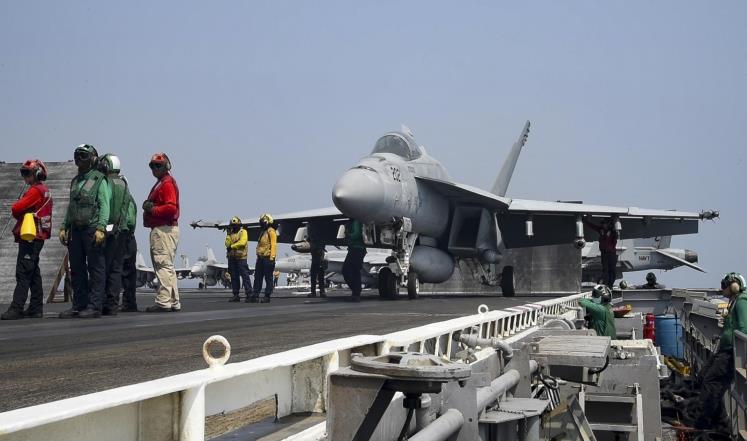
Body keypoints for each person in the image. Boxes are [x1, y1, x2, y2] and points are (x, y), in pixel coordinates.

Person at [59, 145, 111, 319]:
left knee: (96, 268)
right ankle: (79, 305)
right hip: (76, 230)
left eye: (83, 155)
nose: (79, 159)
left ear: (93, 158)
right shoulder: (75, 181)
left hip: (92, 229)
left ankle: (95, 306)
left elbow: (104, 205)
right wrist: (64, 226)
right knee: (77, 269)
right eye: (77, 155)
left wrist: (101, 228)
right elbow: (71, 207)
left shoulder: (99, 179)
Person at [1, 160, 53, 320]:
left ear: (37, 174)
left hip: (30, 236)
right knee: (33, 272)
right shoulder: (44, 190)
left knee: (23, 272)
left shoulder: (35, 191)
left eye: (27, 173)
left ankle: (16, 308)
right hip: (37, 237)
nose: (24, 176)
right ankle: (36, 308)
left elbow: (16, 208)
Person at [695, 272, 747, 429]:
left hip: (731, 353)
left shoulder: (742, 301)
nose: (722, 288)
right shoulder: (734, 301)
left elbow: (744, 329)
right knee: (703, 376)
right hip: (724, 350)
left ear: (734, 286)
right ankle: (720, 418)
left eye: (725, 285)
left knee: (712, 383)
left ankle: (706, 423)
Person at [143, 152, 181, 312]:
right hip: (165, 229)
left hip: (163, 230)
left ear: (166, 166)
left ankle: (163, 302)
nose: (154, 168)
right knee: (168, 267)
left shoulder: (166, 183)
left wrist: (153, 209)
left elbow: (171, 208)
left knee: (162, 266)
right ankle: (173, 301)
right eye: (152, 166)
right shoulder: (163, 182)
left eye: (158, 165)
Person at [98, 154, 135, 316]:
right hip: (124, 231)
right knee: (118, 269)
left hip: (109, 231)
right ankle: (115, 304)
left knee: (104, 268)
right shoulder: (124, 184)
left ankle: (102, 303)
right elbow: (131, 210)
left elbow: (104, 206)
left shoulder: (106, 183)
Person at [584, 217, 619, 288]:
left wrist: (611, 233)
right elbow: (593, 226)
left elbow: (615, 239)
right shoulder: (601, 230)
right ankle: (606, 284)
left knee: (612, 270)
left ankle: (610, 284)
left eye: (605, 224)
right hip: (604, 253)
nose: (603, 225)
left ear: (608, 224)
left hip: (611, 253)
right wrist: (586, 221)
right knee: (605, 269)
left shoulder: (613, 232)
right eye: (603, 224)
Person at [119, 190, 139, 313]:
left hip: (124, 237)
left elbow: (130, 221)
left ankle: (128, 303)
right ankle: (129, 302)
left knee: (125, 272)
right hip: (128, 237)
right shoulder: (129, 198)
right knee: (128, 272)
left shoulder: (125, 198)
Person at [225, 216, 253, 302]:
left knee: (245, 276)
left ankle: (249, 294)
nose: (234, 227)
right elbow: (227, 244)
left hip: (241, 258)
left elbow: (243, 242)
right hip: (232, 258)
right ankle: (236, 295)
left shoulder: (243, 232)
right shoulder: (230, 234)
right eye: (233, 225)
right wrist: (228, 235)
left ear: (239, 225)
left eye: (235, 225)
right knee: (234, 277)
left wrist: (232, 246)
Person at [251, 214, 277, 303]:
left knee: (268, 278)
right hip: (260, 258)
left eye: (263, 222)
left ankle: (267, 296)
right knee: (257, 277)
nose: (261, 224)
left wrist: (272, 258)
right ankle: (255, 295)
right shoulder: (263, 232)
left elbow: (273, 245)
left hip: (268, 258)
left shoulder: (271, 231)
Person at [342, 219, 367, 302]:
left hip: (356, 249)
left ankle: (356, 292)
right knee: (355, 272)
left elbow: (356, 234)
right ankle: (356, 293)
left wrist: (348, 235)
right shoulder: (355, 221)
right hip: (357, 249)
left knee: (346, 271)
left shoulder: (356, 221)